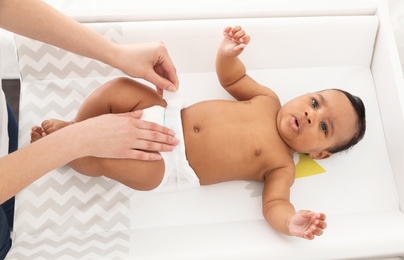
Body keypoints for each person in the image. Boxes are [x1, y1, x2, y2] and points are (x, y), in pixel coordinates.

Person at [31, 25, 366, 240]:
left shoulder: (282, 165)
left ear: (319, 154)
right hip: (165, 114)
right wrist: (227, 54)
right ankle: (77, 127)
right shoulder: (267, 99)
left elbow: (275, 204)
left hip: (169, 166)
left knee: (102, 161)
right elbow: (231, 79)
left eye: (323, 126)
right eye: (315, 102)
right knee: (118, 87)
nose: (310, 115)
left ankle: (68, 149)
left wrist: (290, 222)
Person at [0, 0, 180, 257]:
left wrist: (118, 53)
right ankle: (72, 138)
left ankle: (71, 132)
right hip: (169, 142)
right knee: (116, 99)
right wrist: (78, 139)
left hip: (172, 159)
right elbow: (235, 79)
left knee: (16, 193)